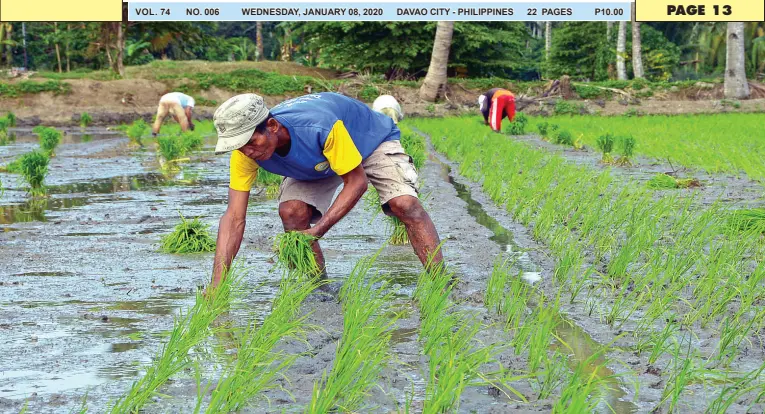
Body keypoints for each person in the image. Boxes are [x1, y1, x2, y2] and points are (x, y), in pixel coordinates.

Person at [209, 92, 443, 289]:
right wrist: (216, 287)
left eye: (251, 143)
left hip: (370, 142)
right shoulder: (244, 153)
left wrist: (320, 229)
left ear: (272, 126)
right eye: (240, 147)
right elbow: (234, 217)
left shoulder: (318, 125)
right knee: (292, 212)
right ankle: (318, 289)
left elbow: (356, 182)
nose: (247, 152)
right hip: (319, 159)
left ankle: (440, 285)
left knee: (405, 204)